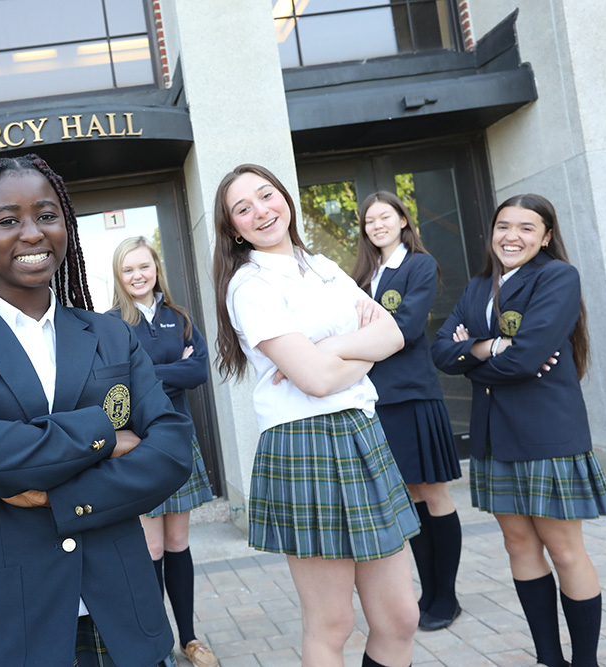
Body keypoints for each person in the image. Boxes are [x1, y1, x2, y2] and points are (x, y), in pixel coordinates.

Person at [0, 154, 194, 667]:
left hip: (121, 614)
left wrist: (56, 496)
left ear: (67, 226)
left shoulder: (111, 333)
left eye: (46, 215)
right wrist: (106, 431)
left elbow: (171, 450)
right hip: (7, 622)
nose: (32, 233)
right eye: (8, 220)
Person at [212, 163, 419, 667]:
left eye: (266, 195)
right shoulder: (251, 286)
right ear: (234, 229)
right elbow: (317, 380)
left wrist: (331, 347)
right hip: (304, 445)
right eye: (244, 208)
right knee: (333, 624)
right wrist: (356, 350)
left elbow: (394, 334)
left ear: (285, 197)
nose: (261, 211)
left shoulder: (322, 265)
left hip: (361, 432)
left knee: (400, 616)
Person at [432, 194, 606, 667]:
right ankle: (548, 659)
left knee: (565, 550)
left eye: (526, 228)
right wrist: (492, 347)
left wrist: (470, 356)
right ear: (491, 233)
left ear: (547, 236)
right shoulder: (477, 288)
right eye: (503, 226)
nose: (512, 236)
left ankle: (586, 662)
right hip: (495, 435)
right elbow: (439, 353)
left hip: (546, 433)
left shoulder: (557, 277)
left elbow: (526, 358)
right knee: (518, 543)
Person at [349, 191, 463, 631]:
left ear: (402, 220)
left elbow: (409, 327)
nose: (376, 226)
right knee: (411, 497)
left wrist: (366, 326)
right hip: (378, 397)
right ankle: (428, 592)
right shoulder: (363, 274)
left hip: (413, 394)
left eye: (384, 217)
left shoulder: (418, 265)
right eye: (369, 221)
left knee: (433, 493)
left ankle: (446, 597)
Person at [108, 236, 217, 667]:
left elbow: (199, 371)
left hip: (178, 438)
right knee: (150, 548)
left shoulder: (179, 317)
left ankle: (189, 639)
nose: (138, 275)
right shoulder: (111, 324)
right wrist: (173, 372)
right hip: (139, 446)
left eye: (144, 266)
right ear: (119, 276)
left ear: (156, 268)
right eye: (128, 269)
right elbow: (118, 387)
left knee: (177, 542)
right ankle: (154, 642)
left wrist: (150, 375)